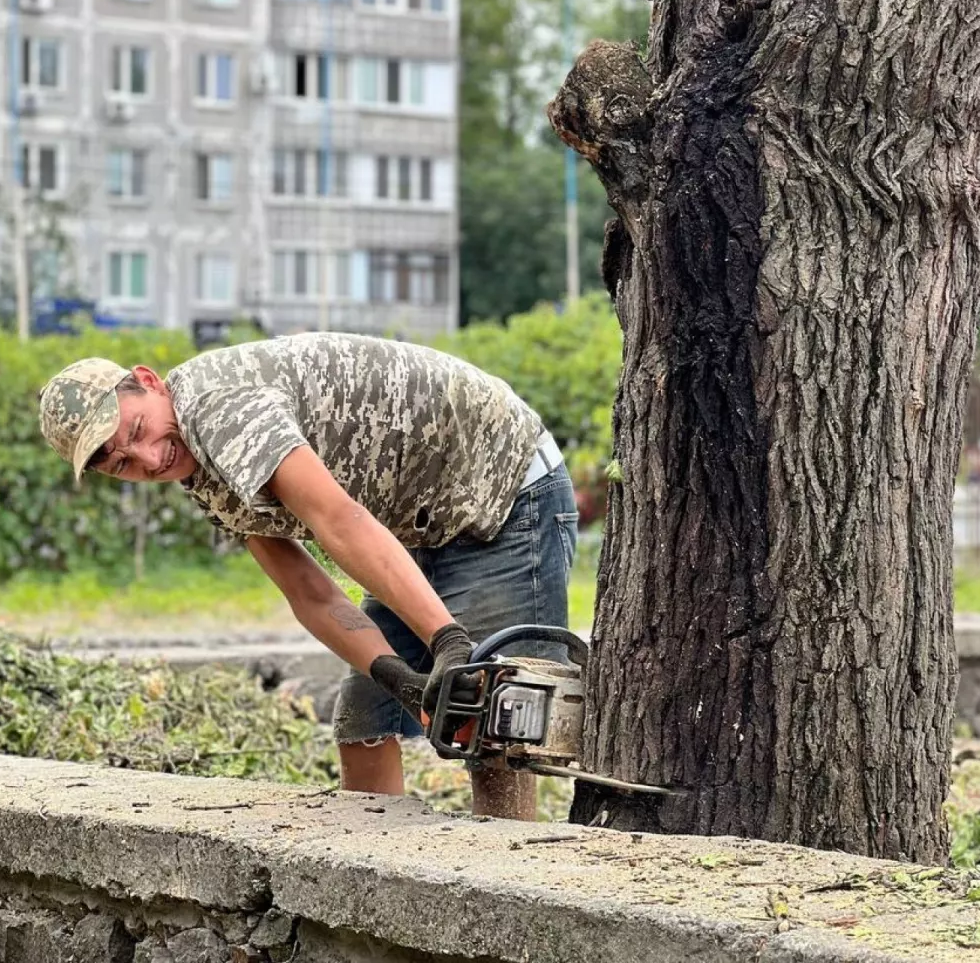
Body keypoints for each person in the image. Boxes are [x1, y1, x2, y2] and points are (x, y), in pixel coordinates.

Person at [37, 332, 576, 819]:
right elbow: (307, 591)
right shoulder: (197, 469)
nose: (149, 458)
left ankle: (506, 892)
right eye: (122, 463)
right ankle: (378, 888)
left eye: (138, 428)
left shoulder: (219, 407)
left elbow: (339, 521)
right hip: (418, 524)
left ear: (151, 383)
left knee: (491, 722)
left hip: (502, 490)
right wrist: (394, 675)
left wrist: (450, 644)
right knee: (366, 723)